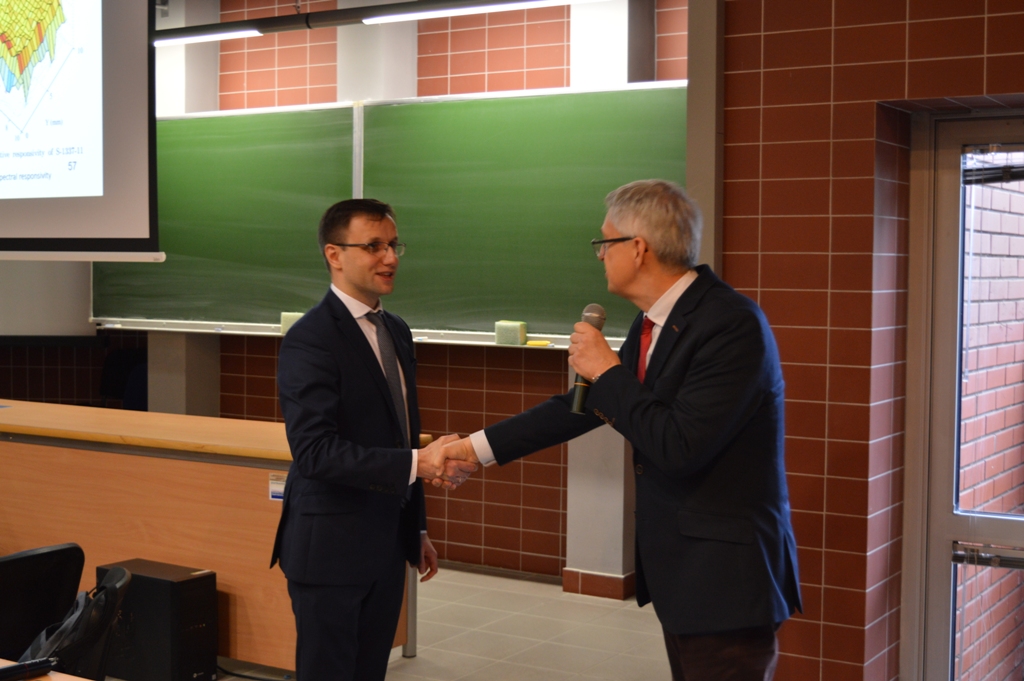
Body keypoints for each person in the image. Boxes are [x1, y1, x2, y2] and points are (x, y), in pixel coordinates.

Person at [446, 180, 801, 680]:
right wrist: (474, 448)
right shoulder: (652, 321)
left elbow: (678, 446)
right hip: (686, 575)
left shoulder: (731, 323)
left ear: (637, 248)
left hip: (726, 580)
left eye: (604, 243)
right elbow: (584, 407)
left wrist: (607, 371)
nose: (599, 256)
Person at [270, 198, 475, 681]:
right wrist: (418, 464)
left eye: (393, 245)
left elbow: (401, 432)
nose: (389, 258)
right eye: (374, 246)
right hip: (330, 551)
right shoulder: (310, 338)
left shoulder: (395, 330)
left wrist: (416, 528)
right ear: (334, 254)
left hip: (386, 544)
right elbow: (315, 453)